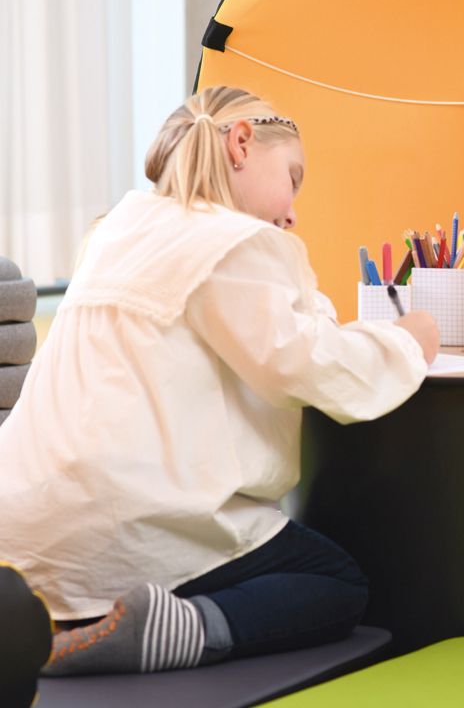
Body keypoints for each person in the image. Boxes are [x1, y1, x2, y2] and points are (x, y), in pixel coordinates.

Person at [0, 86, 440, 675]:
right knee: (336, 582)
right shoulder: (234, 241)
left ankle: (82, 617)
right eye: (293, 177)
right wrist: (408, 340)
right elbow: (307, 364)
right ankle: (179, 628)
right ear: (240, 143)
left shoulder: (118, 230)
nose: (293, 212)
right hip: (121, 519)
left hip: (27, 524)